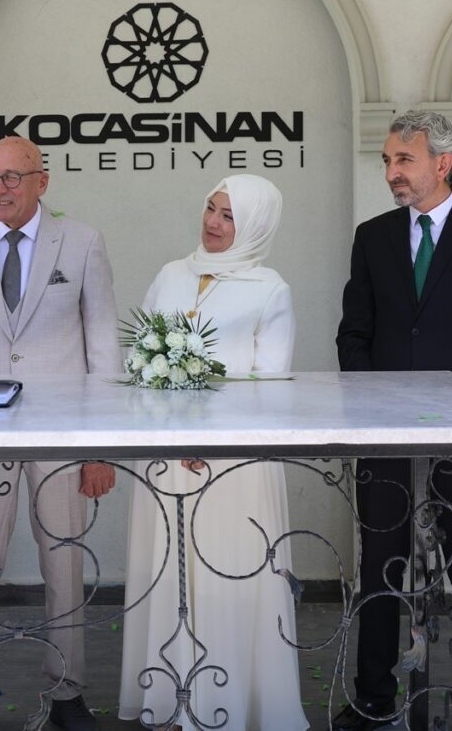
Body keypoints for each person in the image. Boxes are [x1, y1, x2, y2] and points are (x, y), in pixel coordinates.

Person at [335, 110, 452, 729]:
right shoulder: (372, 236)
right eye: (387, 161)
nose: (391, 172)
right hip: (386, 439)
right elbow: (354, 333)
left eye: (404, 159)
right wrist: (379, 408)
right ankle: (373, 700)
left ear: (442, 163)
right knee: (379, 569)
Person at [0, 135, 120, 731]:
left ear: (42, 182)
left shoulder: (82, 242)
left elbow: (103, 350)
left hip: (63, 435)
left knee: (64, 564)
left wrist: (100, 448)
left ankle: (67, 695)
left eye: (12, 177)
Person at [118, 174, 306, 731]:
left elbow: (271, 383)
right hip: (166, 459)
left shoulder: (270, 288)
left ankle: (231, 705)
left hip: (232, 465)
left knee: (227, 575)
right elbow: (137, 359)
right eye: (210, 208)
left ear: (255, 227)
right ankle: (170, 701)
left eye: (229, 216)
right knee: (168, 572)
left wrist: (215, 442)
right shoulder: (171, 274)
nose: (213, 223)